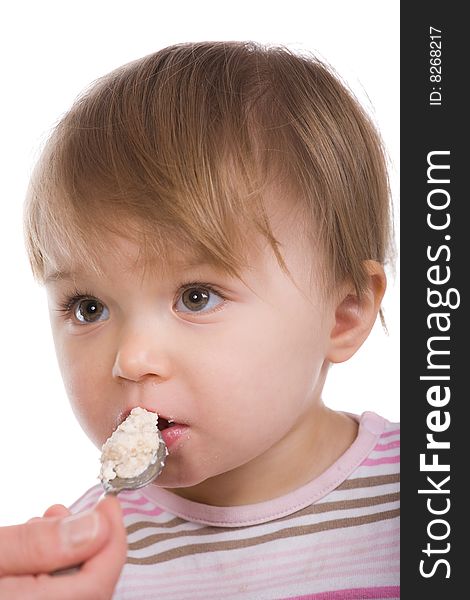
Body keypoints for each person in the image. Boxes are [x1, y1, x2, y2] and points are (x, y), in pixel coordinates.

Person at [4, 41, 399, 599]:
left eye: (196, 297)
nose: (132, 358)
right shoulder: (90, 559)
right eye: (88, 308)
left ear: (343, 315)